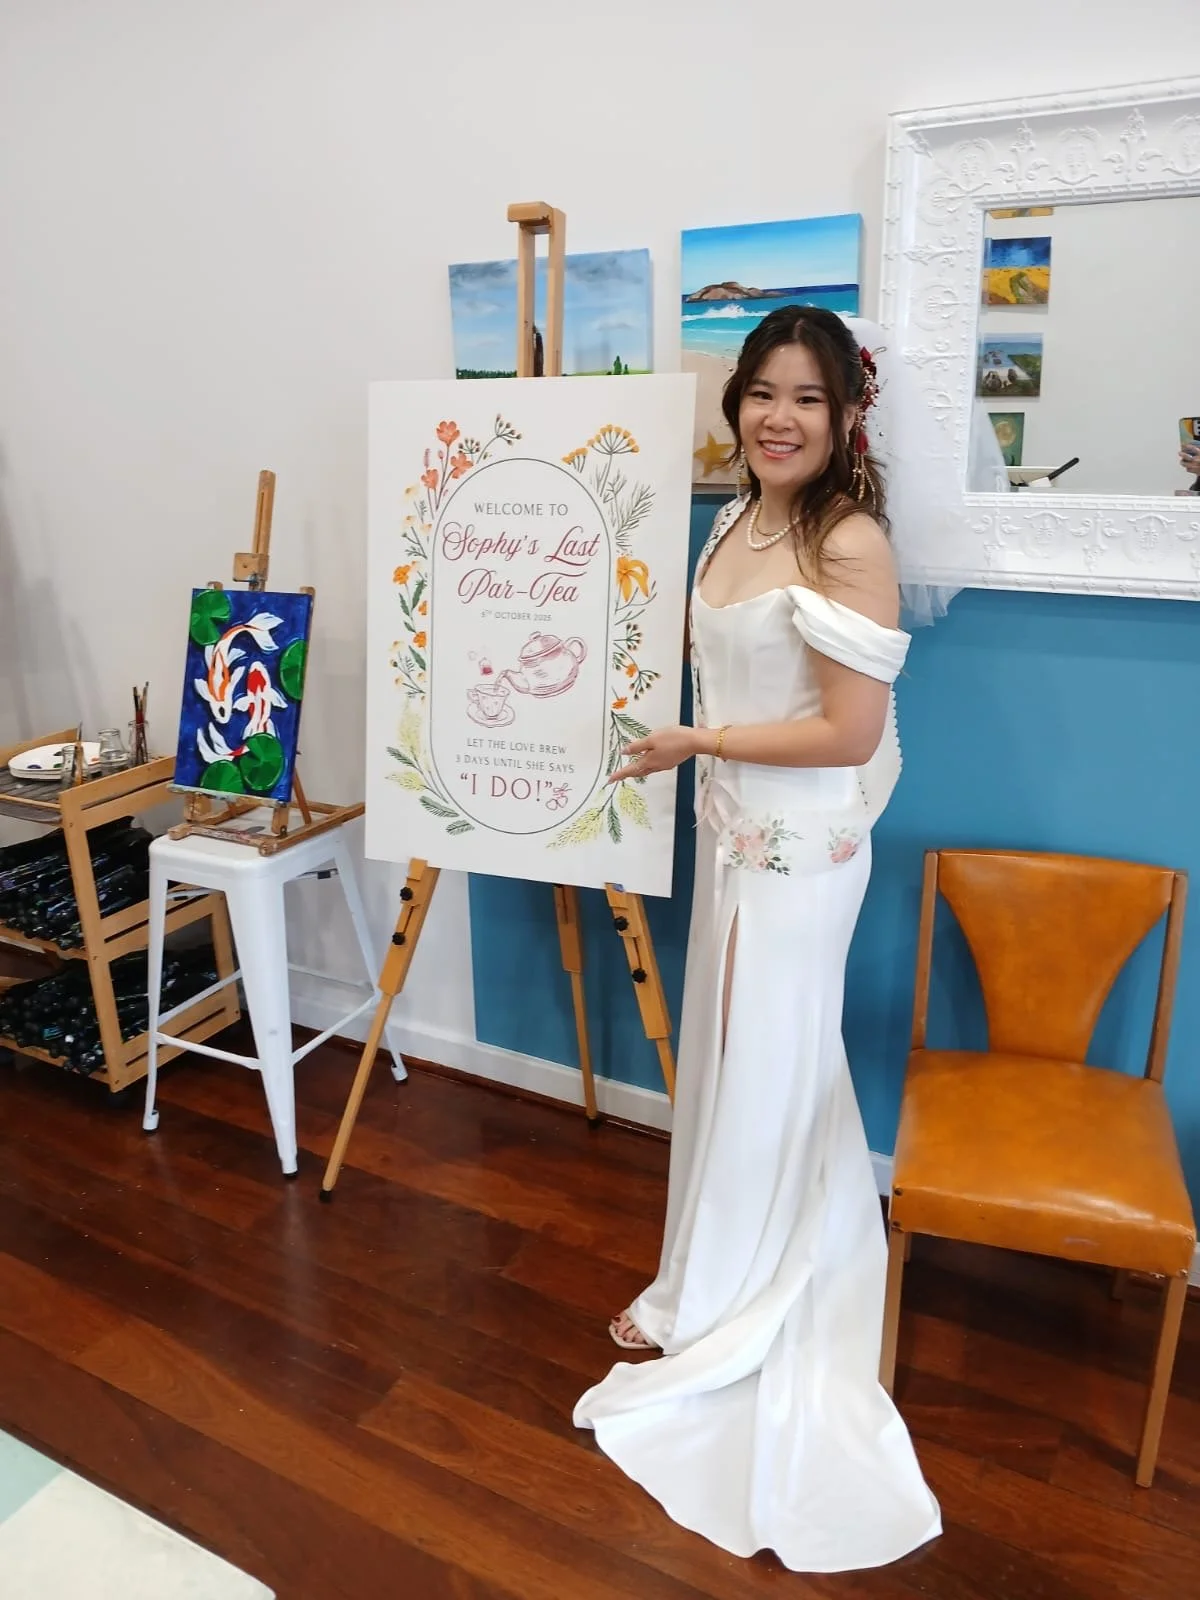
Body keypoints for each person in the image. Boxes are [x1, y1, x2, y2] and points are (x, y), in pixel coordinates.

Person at [573, 306, 943, 1573]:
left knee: (774, 1054)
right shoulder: (735, 517)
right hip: (735, 835)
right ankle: (707, 1276)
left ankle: (737, 1303)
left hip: (800, 849)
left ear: (846, 417)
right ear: (737, 405)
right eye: (761, 393)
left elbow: (848, 730)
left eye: (808, 398)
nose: (779, 417)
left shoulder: (848, 540)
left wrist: (698, 743)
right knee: (740, 1060)